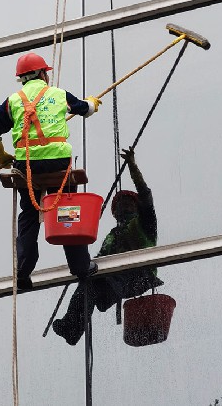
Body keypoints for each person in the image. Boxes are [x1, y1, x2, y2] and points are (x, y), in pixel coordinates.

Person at [0, 52, 101, 290]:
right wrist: (93, 103)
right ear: (43, 74)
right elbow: (85, 109)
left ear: (23, 79)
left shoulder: (14, 101)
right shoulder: (57, 94)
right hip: (59, 163)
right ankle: (81, 267)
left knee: (29, 215)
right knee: (67, 208)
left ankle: (23, 272)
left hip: (28, 165)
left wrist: (2, 156)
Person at [53, 147, 163, 345]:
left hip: (138, 277)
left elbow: (145, 195)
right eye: (118, 204)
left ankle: (72, 326)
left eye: (127, 202)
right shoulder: (113, 235)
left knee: (92, 284)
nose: (122, 206)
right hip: (117, 279)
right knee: (88, 286)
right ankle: (72, 329)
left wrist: (132, 166)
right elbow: (99, 261)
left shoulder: (145, 224)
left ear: (136, 207)